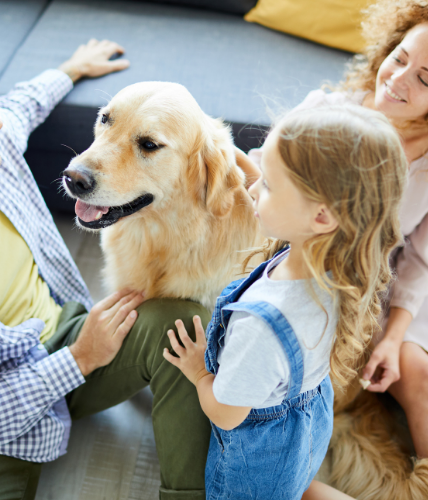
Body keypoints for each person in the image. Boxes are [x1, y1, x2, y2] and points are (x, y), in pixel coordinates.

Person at [0, 5, 212, 499]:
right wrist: (79, 360)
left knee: (182, 325)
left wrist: (70, 69)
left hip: (69, 328)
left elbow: (21, 104)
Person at [163, 105, 407, 499]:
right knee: (295, 486)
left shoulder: (260, 326)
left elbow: (227, 415)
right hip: (307, 423)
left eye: (270, 185)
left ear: (323, 217)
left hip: (258, 460)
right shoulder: (338, 269)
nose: (252, 187)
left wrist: (197, 372)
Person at [239, 0, 428, 464]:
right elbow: (261, 175)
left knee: (413, 367)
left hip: (385, 284)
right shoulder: (326, 112)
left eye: (426, 78)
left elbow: (418, 260)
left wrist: (390, 336)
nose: (399, 79)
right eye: (400, 58)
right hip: (308, 264)